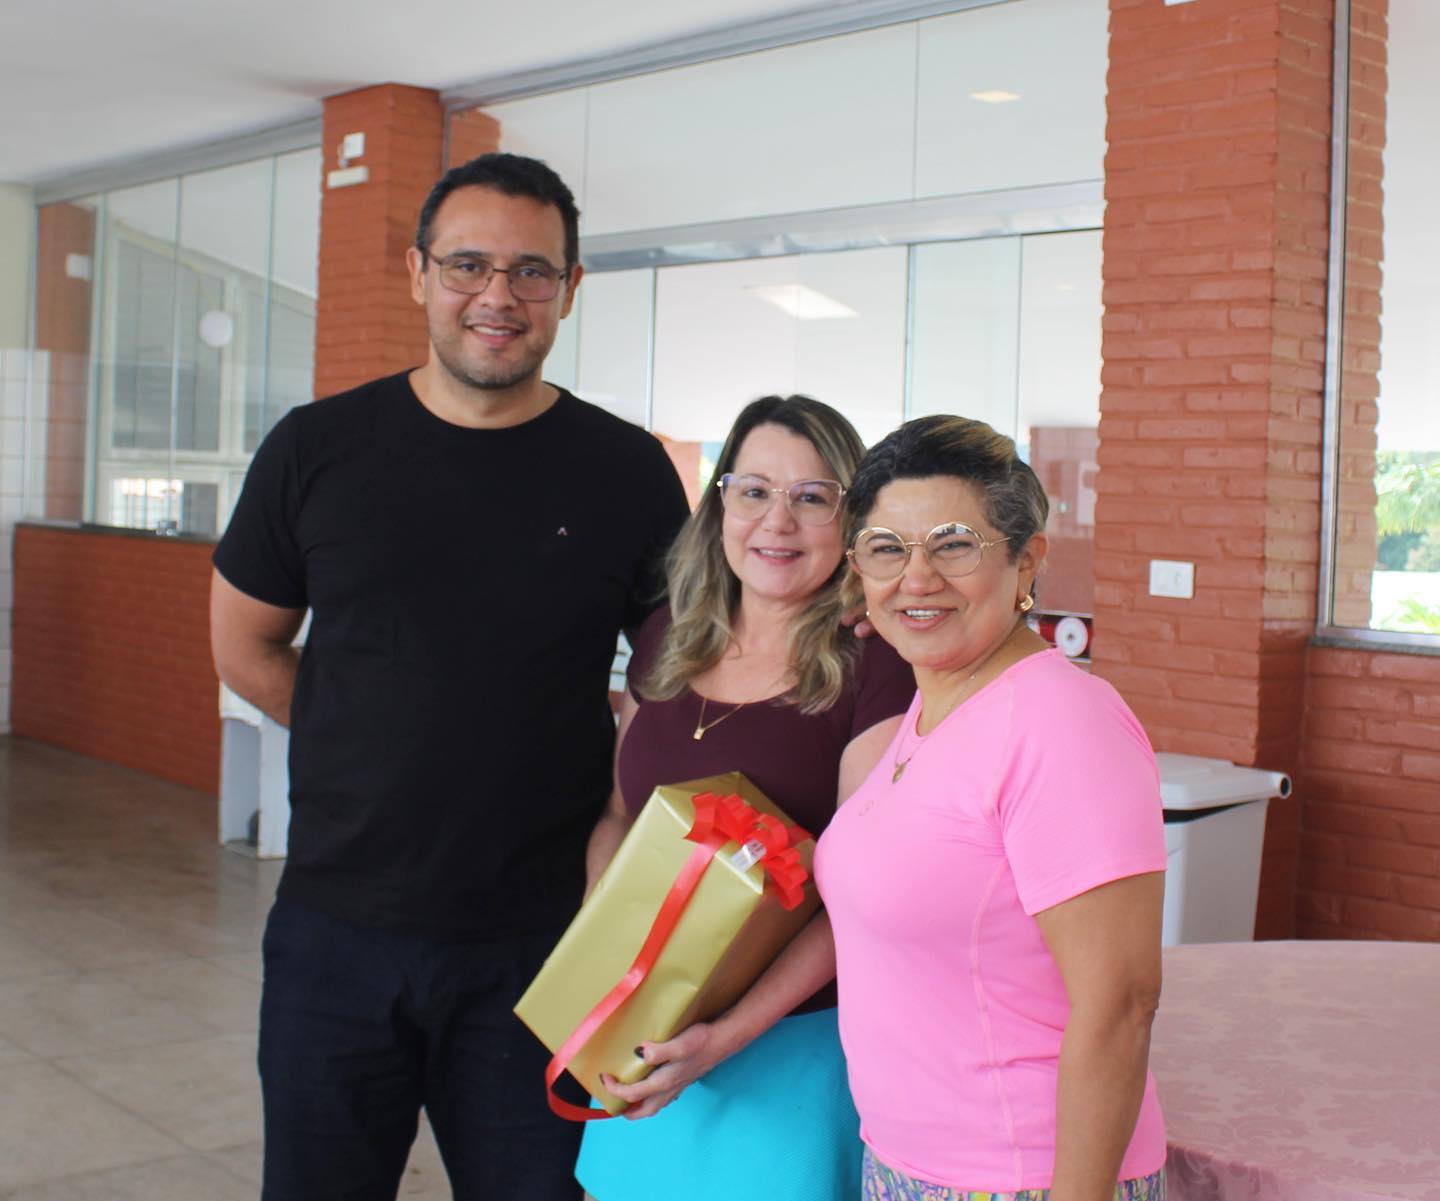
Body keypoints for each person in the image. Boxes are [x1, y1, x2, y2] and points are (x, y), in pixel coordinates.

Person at [209, 153, 688, 1201]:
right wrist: (365, 735)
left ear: (569, 287)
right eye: (468, 264)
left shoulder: (626, 470)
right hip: (335, 931)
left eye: (531, 270)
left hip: (544, 939)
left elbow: (677, 679)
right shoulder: (316, 450)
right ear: (419, 272)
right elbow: (245, 646)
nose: (497, 295)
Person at [816, 415, 1168, 1201]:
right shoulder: (935, 698)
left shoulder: (1061, 721)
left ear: (1026, 560)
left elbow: (1121, 1003)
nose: (917, 578)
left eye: (954, 544)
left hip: (1022, 1178)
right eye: (886, 548)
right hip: (910, 1164)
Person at [575, 395, 915, 1201]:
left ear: (850, 517)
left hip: (791, 1046)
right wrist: (607, 945)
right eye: (754, 490)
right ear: (720, 502)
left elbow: (860, 896)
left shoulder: (876, 668)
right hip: (644, 1025)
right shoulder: (667, 636)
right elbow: (621, 813)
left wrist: (724, 1036)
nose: (777, 521)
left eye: (812, 496)